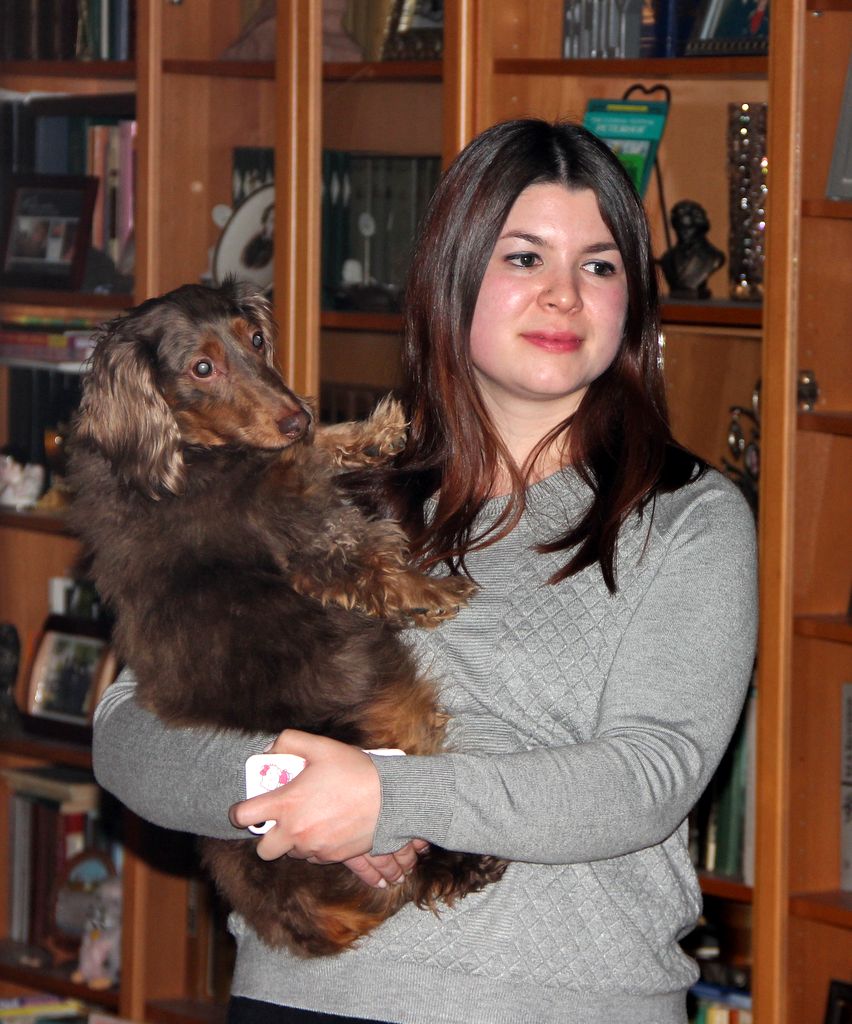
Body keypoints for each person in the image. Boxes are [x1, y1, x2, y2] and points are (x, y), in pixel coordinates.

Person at [92, 119, 757, 1024]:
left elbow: (648, 778)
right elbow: (127, 732)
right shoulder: (313, 485)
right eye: (525, 258)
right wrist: (291, 788)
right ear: (454, 274)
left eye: (599, 266)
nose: (564, 295)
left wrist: (386, 798)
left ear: (633, 299)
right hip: (302, 999)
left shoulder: (687, 518)